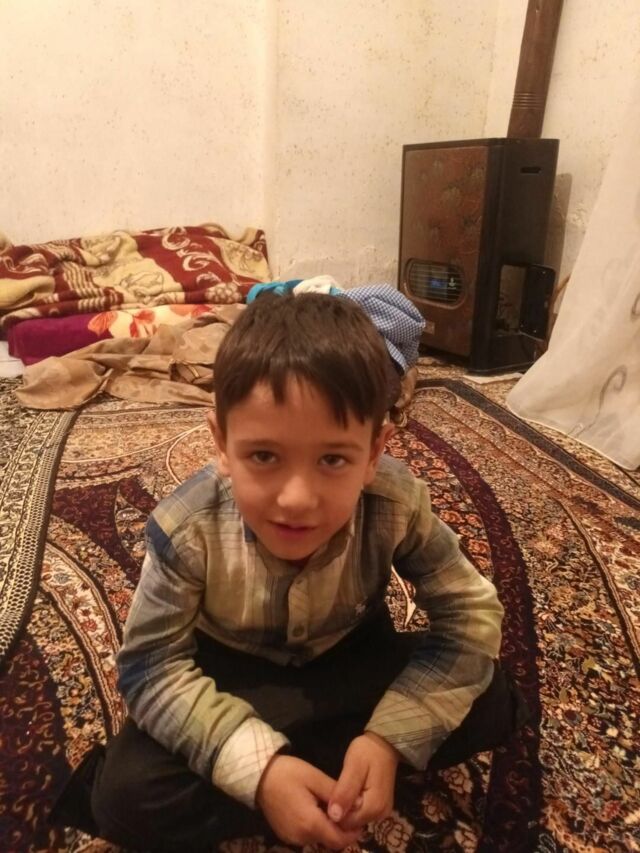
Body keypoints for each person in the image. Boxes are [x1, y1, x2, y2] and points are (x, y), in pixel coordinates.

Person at [51, 293, 527, 851]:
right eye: (264, 456)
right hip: (233, 678)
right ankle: (305, 775)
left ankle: (330, 767)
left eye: (333, 459)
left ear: (375, 452)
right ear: (221, 443)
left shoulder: (396, 501)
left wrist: (388, 740)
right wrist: (261, 772)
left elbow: (469, 614)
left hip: (352, 661)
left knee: (495, 700)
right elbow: (152, 668)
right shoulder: (187, 526)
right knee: (124, 797)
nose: (297, 499)